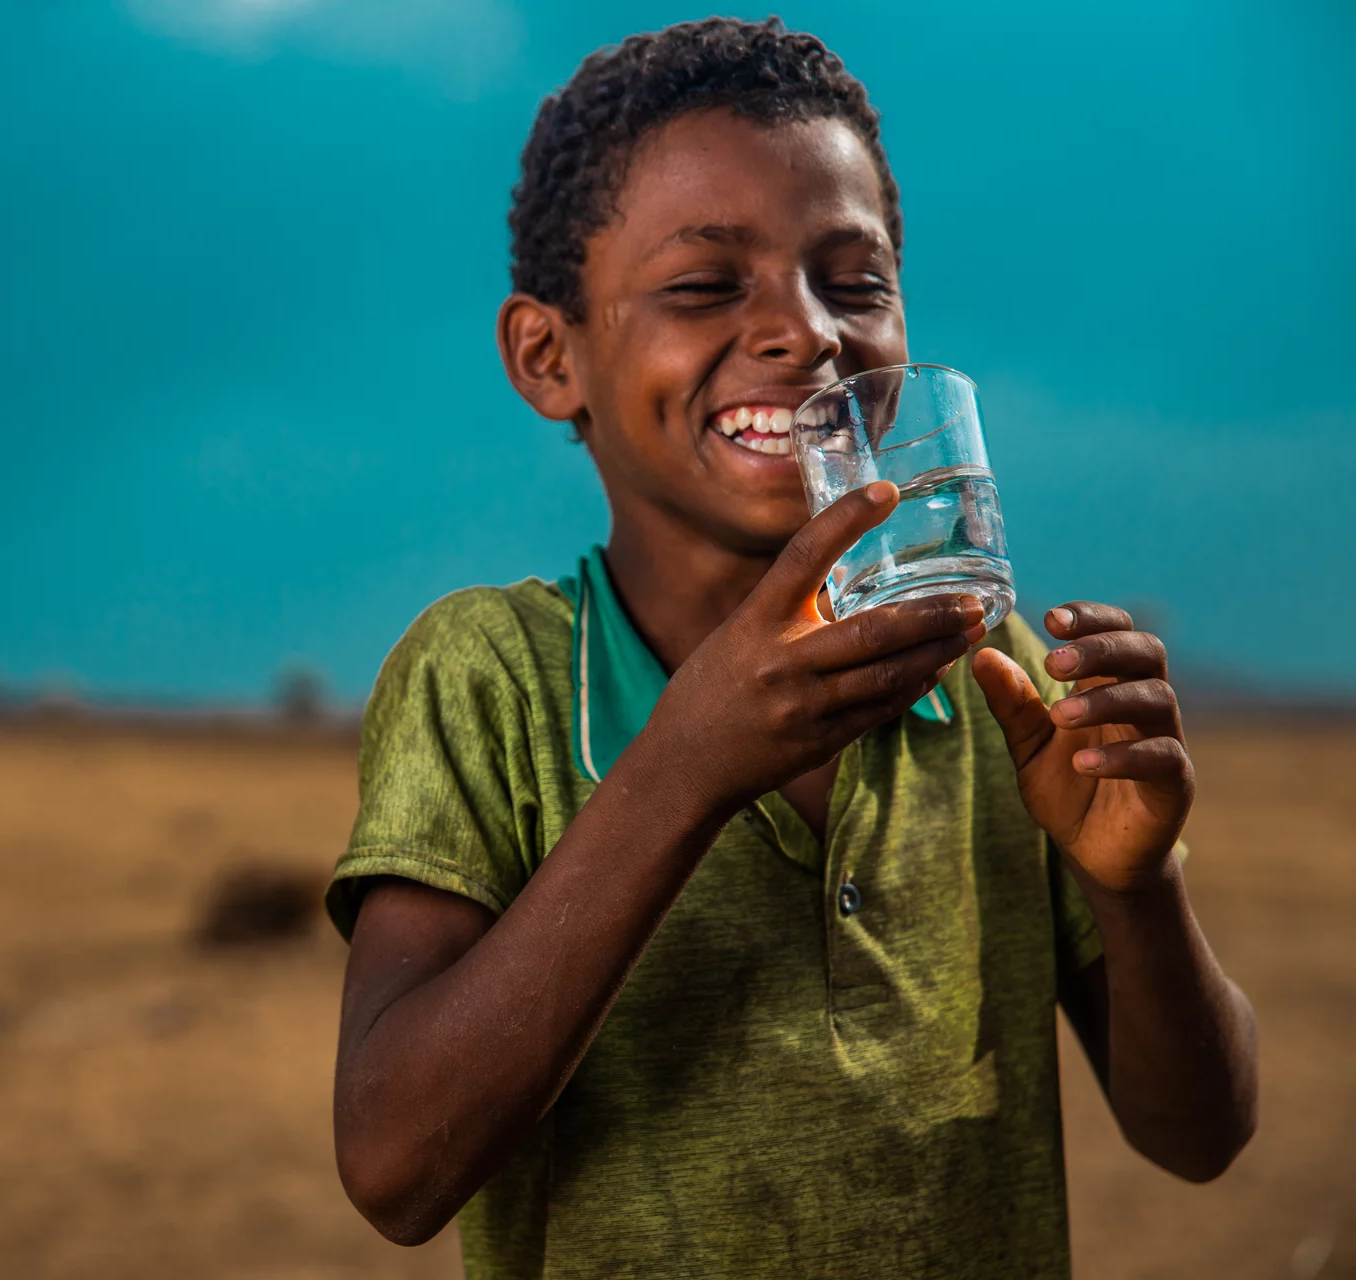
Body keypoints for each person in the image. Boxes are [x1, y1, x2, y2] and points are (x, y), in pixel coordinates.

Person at [325, 16, 1257, 1279]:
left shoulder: (994, 676)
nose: (806, 331)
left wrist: (1137, 890)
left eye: (854, 279)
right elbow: (395, 1165)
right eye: (707, 285)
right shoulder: (491, 674)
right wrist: (686, 764)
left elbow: (1200, 1134)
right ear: (550, 358)